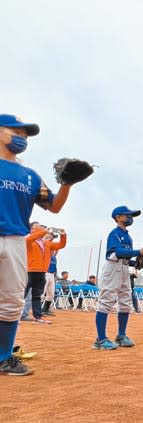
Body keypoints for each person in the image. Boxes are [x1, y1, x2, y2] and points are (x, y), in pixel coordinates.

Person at [0, 114, 77, 375]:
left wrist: (67, 184)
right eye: (16, 131)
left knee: (10, 302)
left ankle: (3, 357)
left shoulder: (29, 175)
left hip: (15, 241)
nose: (22, 137)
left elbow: (53, 206)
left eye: (26, 134)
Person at [93, 206, 143, 350]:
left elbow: (125, 256)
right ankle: (100, 339)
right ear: (118, 217)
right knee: (106, 302)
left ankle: (121, 335)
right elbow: (117, 252)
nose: (131, 218)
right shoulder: (115, 234)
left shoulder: (128, 236)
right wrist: (138, 251)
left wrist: (138, 261)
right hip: (112, 268)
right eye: (128, 215)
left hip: (124, 268)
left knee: (126, 302)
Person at [25, 223, 67, 323]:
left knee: (37, 295)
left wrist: (63, 235)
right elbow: (29, 239)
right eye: (38, 226)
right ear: (32, 229)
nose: (41, 227)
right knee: (21, 294)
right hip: (29, 271)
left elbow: (61, 245)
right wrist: (44, 231)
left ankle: (38, 316)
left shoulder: (46, 243)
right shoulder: (29, 240)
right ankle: (14, 316)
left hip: (42, 272)